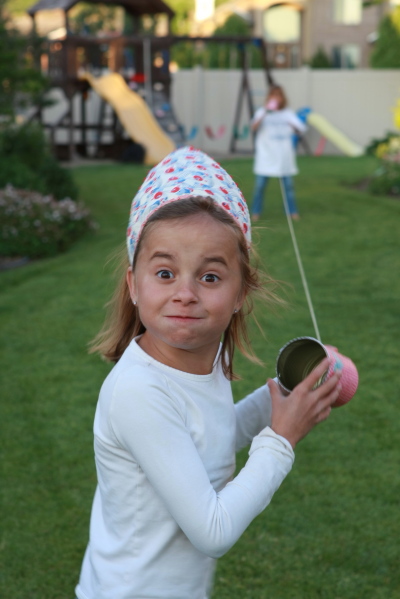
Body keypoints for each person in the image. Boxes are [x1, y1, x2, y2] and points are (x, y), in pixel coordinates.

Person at [75, 147, 341, 599]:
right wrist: (280, 440)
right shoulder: (138, 391)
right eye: (165, 273)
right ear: (134, 285)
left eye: (210, 277)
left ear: (241, 293)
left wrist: (282, 393)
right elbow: (213, 531)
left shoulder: (201, 359)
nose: (186, 293)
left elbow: (209, 437)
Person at [251, 85, 307, 222]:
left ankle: (292, 211)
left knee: (288, 187)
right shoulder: (262, 112)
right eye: (273, 95)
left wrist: (293, 126)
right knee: (260, 186)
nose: (276, 98)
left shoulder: (288, 113)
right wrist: (265, 113)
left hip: (283, 157)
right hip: (266, 156)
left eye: (278, 95)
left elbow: (301, 129)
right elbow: (254, 127)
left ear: (283, 98)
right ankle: (255, 212)